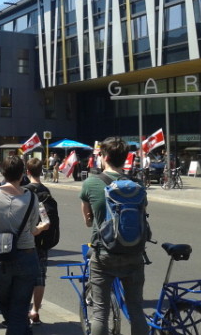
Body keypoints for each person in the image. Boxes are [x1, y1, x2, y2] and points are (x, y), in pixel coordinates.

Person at [80, 137, 149, 335]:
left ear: (105, 157)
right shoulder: (137, 184)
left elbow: (87, 220)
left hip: (104, 253)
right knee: (136, 308)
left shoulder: (91, 183)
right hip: (134, 252)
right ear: (125, 158)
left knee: (101, 312)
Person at [0, 155, 49, 334]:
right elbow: (32, 227)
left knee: (3, 299)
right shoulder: (31, 198)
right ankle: (20, 327)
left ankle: (17, 326)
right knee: (21, 302)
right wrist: (39, 229)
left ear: (2, 172)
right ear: (22, 175)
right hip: (26, 255)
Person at [23, 157, 54, 326]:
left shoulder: (25, 191)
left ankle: (24, 310)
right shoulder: (46, 191)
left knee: (25, 277)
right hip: (43, 241)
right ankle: (35, 311)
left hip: (27, 241)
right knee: (40, 277)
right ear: (41, 171)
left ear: (27, 172)